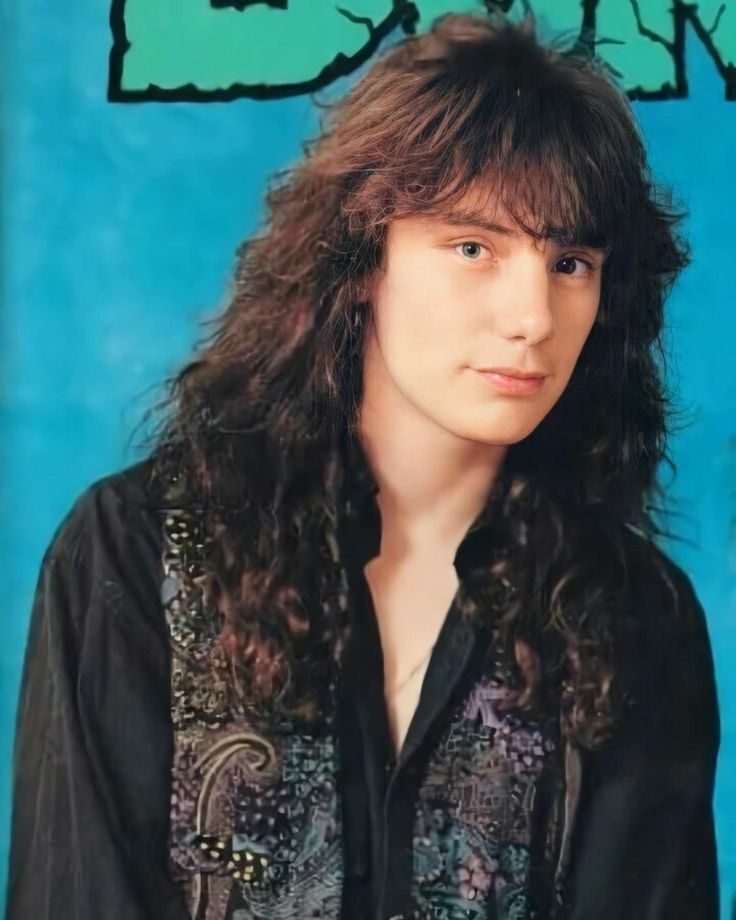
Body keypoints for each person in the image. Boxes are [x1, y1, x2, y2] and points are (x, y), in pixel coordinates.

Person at [5, 10, 720, 920]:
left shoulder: (637, 616)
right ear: (362, 259)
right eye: (474, 247)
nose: (533, 315)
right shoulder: (135, 553)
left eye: (570, 262)